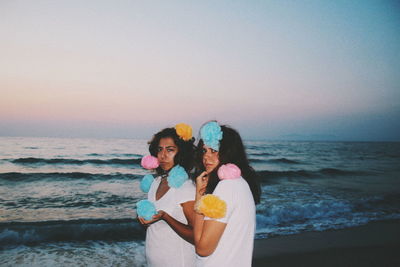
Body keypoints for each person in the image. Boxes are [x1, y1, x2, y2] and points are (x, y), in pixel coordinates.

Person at [193, 121, 261, 267]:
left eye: (214, 151)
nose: (206, 157)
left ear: (228, 153)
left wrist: (199, 196)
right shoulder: (239, 184)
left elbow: (202, 248)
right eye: (204, 151)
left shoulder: (227, 187)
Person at [138, 126, 196, 267]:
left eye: (170, 150)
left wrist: (166, 217)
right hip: (154, 261)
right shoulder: (156, 182)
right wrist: (144, 219)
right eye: (159, 149)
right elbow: (155, 226)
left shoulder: (186, 187)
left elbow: (196, 236)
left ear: (181, 152)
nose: (163, 155)